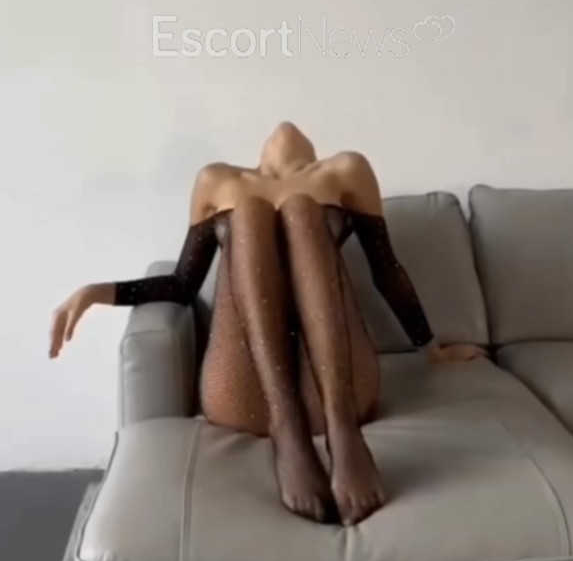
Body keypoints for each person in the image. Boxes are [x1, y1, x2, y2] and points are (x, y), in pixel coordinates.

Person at [49, 122, 484, 526]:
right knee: (250, 214)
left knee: (300, 209)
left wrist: (432, 349)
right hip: (247, 390)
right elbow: (182, 284)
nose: (286, 126)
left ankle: (343, 433)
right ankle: (287, 430)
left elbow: (386, 270)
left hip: (335, 387)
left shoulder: (345, 169)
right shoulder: (218, 179)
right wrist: (95, 292)